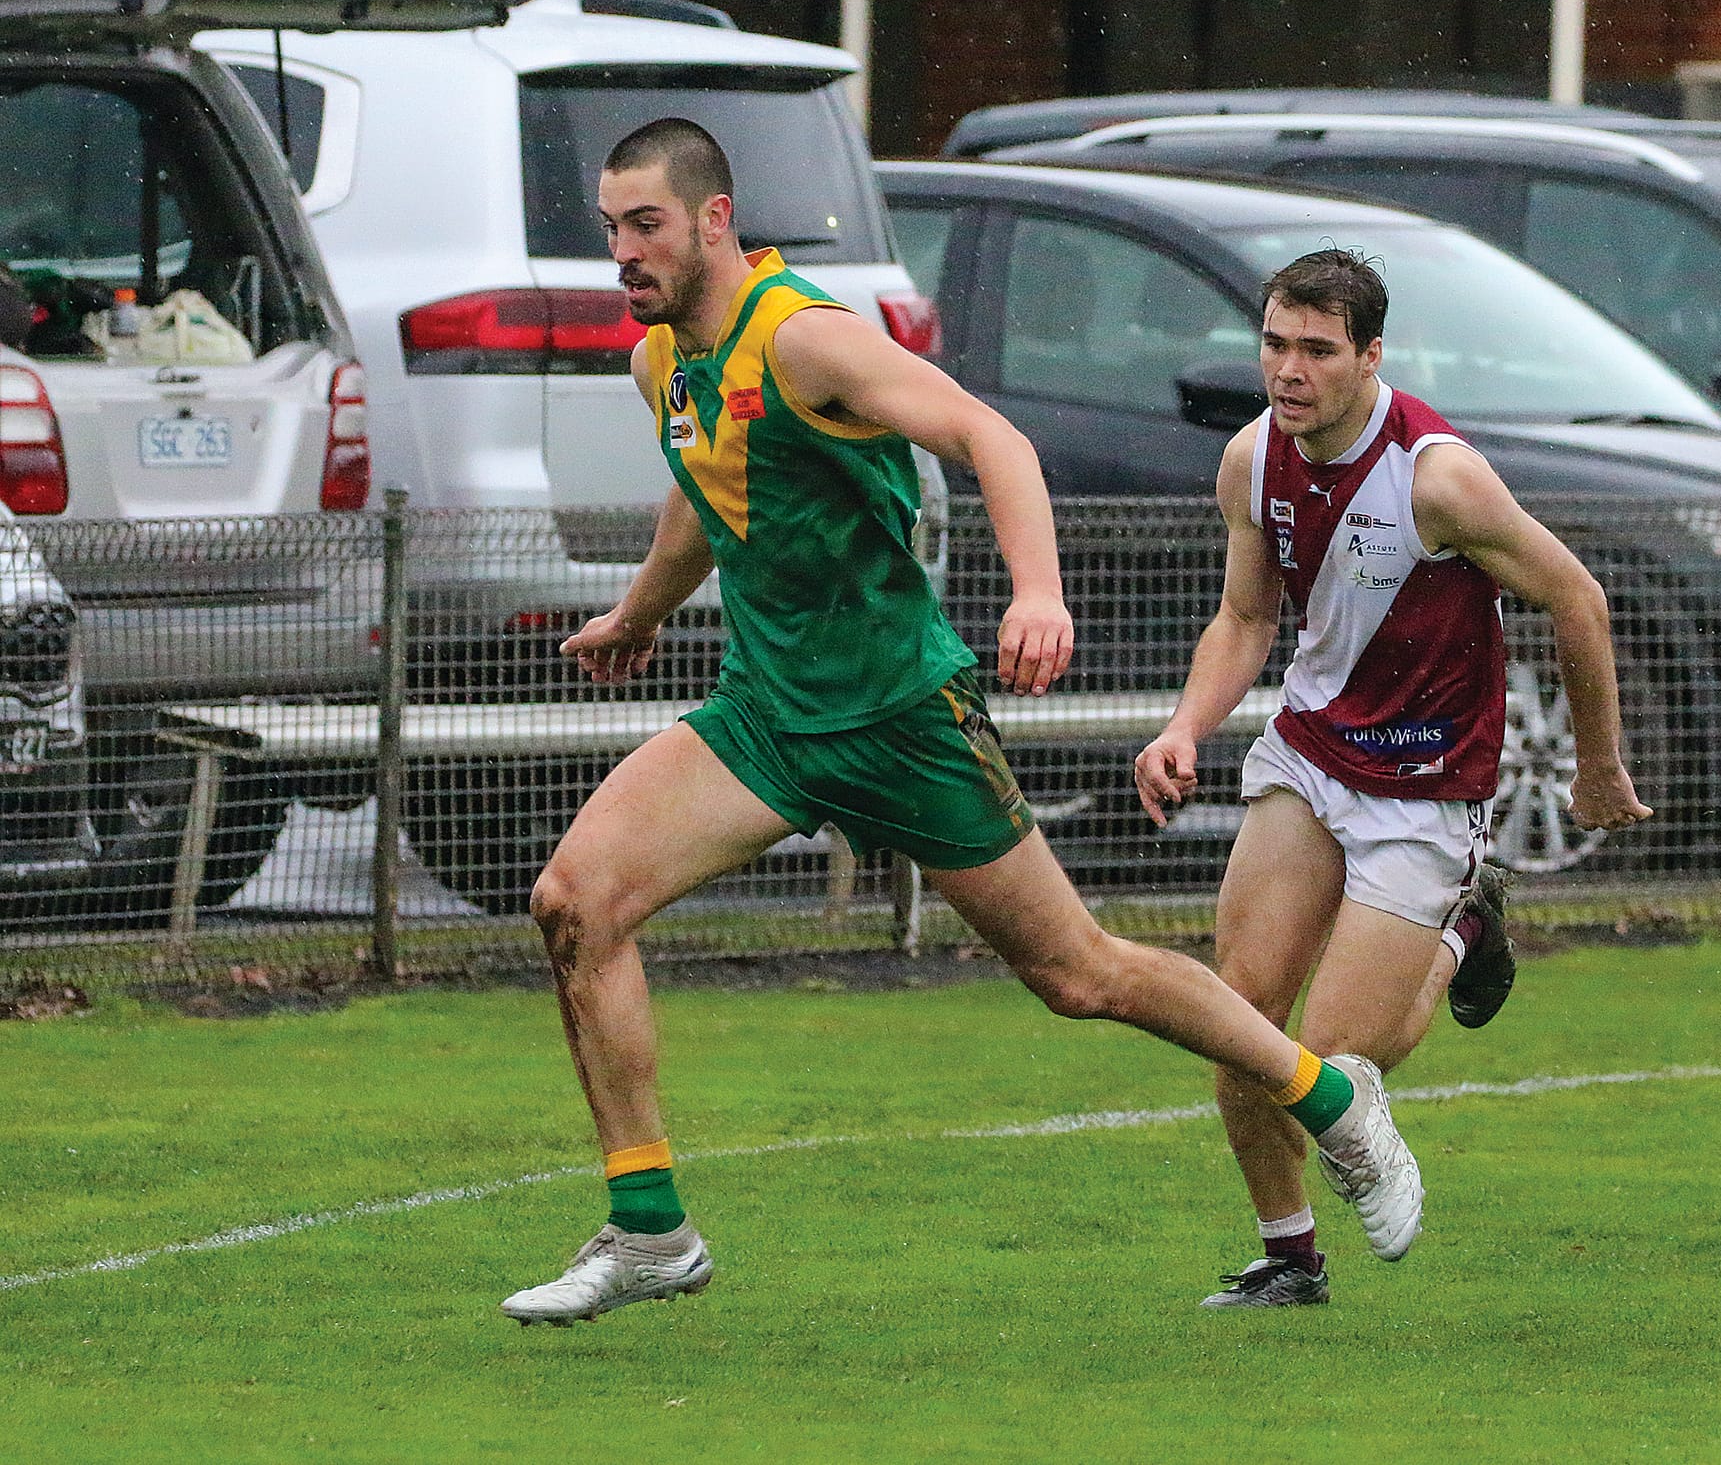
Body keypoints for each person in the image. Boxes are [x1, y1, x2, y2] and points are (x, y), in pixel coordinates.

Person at [500, 122, 1428, 1325]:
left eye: (646, 226)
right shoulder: (662, 364)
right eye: (611, 228)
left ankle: (1327, 1101)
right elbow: (706, 492)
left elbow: (991, 437)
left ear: (713, 220)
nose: (622, 253)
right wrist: (635, 610)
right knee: (575, 903)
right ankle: (648, 1230)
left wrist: (1035, 590)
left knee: (1080, 976)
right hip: (767, 717)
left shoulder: (808, 340)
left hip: (899, 716)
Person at [1135, 248, 1652, 1309]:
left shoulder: (1438, 478)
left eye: (1316, 350)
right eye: (1274, 344)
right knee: (1239, 1023)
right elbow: (1246, 617)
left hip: (1423, 785)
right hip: (1310, 750)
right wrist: (1184, 725)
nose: (1288, 370)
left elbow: (1577, 599)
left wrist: (1595, 767)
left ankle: (1461, 927)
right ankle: (1289, 1257)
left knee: (1328, 1063)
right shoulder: (1249, 458)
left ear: (1370, 356)